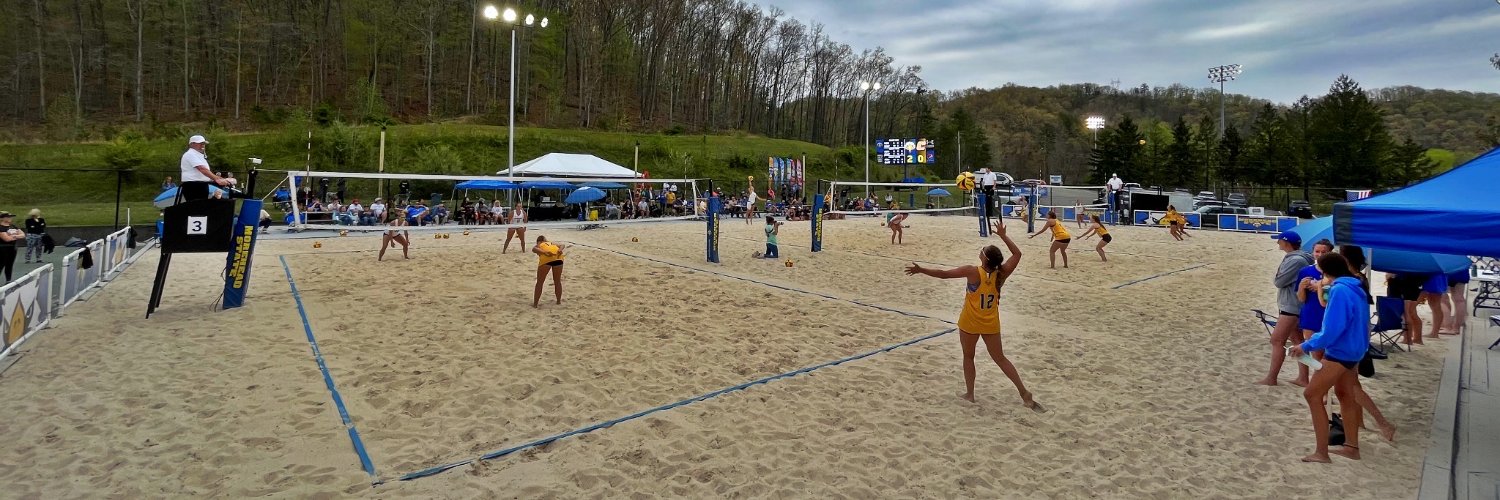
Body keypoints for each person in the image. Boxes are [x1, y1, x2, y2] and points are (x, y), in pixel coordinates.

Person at [904, 220, 1043, 411]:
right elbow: (1017, 254)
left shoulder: (972, 271)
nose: (980, 251)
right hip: (990, 322)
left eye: (982, 250)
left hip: (969, 322)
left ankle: (970, 394)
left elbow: (944, 274)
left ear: (984, 258)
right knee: (1000, 358)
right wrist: (1003, 235)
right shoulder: (1001, 273)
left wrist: (921, 270)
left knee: (968, 357)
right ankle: (1024, 393)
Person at [1288, 252, 1369, 463]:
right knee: (1345, 395)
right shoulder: (1356, 286)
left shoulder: (1340, 290)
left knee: (1312, 395)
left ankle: (1321, 452)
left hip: (1341, 351)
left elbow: (1332, 329)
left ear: (1324, 271)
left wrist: (1306, 345)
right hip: (1354, 350)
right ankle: (1352, 447)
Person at [1260, 230, 1313, 386]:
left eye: (1279, 241)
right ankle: (1303, 378)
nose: (1277, 243)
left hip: (1292, 306)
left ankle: (1271, 378)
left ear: (1286, 243)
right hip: (1292, 304)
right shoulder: (1298, 257)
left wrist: (1278, 275)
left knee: (1277, 340)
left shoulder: (1296, 260)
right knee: (1297, 341)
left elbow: (1279, 281)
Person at [1292, 239, 1336, 387]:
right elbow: (1301, 299)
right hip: (1310, 313)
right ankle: (1320, 387)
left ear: (1331, 253)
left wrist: (1322, 286)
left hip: (1329, 314)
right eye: (1317, 251)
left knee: (1328, 354)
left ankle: (1324, 385)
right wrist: (1302, 287)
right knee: (1316, 353)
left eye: (1324, 252)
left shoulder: (1336, 274)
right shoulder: (1306, 271)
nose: (1320, 254)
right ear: (1313, 252)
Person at [178, 135, 234, 201]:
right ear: (192, 144)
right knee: (197, 207)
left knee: (202, 207)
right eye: (200, 143)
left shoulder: (198, 155)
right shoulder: (190, 154)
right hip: (193, 185)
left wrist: (219, 179)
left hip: (201, 185)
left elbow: (204, 172)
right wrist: (217, 179)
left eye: (203, 143)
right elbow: (202, 169)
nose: (203, 145)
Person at [1386, 273, 1424, 346]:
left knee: (1406, 313)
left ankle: (1408, 339)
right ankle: (1417, 339)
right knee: (1412, 313)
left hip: (1405, 283)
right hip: (1415, 283)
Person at [531, 235, 567, 307]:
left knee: (540, 282)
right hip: (558, 258)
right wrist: (560, 250)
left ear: (539, 241)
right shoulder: (551, 243)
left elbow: (534, 249)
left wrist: (544, 252)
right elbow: (563, 245)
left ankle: (535, 304)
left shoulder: (540, 244)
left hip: (547, 258)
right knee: (557, 281)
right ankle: (558, 301)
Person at [1419, 273, 1447, 341]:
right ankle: (1435, 333)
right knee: (1434, 303)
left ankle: (1435, 333)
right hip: (1436, 274)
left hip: (1433, 275)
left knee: (1435, 303)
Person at [1444, 268, 1470, 335]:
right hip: (1461, 268)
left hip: (1445, 268)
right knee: (1459, 299)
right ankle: (1456, 328)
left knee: (1442, 299)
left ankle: (1447, 327)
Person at [0, 212, 23, 282]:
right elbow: (6, 239)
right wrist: (16, 236)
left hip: (12, 248)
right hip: (2, 248)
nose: (10, 218)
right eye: (8, 217)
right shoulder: (0, 227)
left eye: (11, 217)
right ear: (3, 218)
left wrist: (14, 236)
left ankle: (8, 280)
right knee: (1, 265)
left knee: (9, 265)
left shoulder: (13, 226)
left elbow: (23, 235)